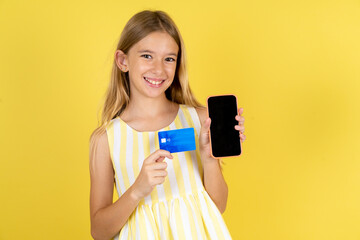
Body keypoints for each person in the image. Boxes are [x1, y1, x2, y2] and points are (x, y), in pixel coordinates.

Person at [89, 9, 246, 240]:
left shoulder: (200, 120)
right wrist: (137, 191)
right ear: (123, 61)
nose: (159, 69)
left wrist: (209, 158)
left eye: (169, 59)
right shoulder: (106, 140)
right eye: (146, 56)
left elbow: (218, 207)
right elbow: (99, 232)